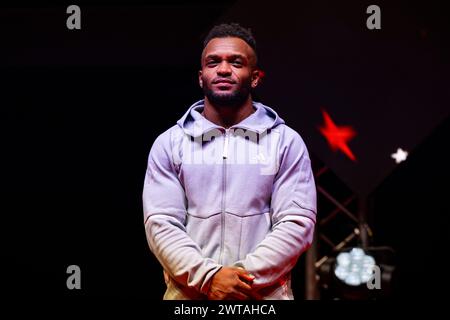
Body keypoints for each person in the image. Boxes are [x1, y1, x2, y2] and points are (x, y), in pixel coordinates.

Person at [142, 23, 317, 300]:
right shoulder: (170, 143)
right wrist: (209, 278)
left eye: (236, 62)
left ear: (256, 77)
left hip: (261, 299)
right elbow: (161, 224)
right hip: (191, 299)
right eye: (214, 62)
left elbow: (296, 224)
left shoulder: (285, 141)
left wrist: (239, 281)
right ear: (201, 77)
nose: (223, 69)